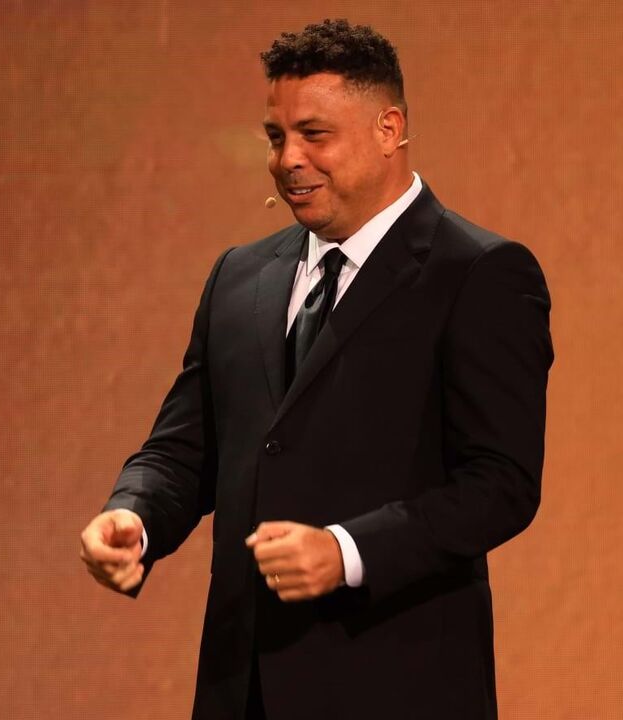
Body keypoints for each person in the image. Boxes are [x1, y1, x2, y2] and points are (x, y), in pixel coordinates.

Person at [79, 19, 552, 720]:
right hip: (241, 689)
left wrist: (346, 551)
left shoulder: (479, 273)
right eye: (276, 137)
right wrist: (134, 515)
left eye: (314, 134)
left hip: (399, 689)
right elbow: (184, 450)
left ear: (389, 129)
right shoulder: (238, 276)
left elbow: (500, 484)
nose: (286, 160)